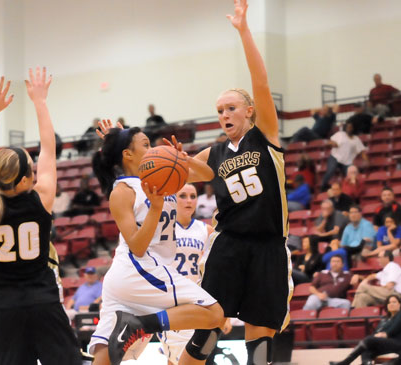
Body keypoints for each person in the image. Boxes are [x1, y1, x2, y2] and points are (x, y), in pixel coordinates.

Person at [188, 1, 294, 363]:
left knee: (260, 338)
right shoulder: (214, 154)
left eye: (231, 107)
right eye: (219, 110)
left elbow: (260, 81)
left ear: (249, 110)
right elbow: (176, 172)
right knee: (208, 328)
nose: (224, 114)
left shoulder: (265, 135)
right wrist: (130, 149)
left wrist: (244, 31)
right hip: (229, 244)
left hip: (268, 245)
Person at [0, 70, 81, 364]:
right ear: (26, 180)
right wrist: (40, 102)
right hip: (44, 303)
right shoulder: (41, 200)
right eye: (32, 167)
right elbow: (49, 149)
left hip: (3, 310)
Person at [89, 122, 223, 365]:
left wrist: (184, 159)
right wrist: (156, 209)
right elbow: (138, 247)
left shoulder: (165, 175)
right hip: (141, 269)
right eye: (146, 145)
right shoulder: (123, 191)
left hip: (126, 279)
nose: (152, 149)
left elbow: (208, 175)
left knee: (104, 359)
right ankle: (140, 325)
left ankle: (136, 325)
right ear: (127, 154)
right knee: (214, 314)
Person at [159, 183, 222, 365]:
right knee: (176, 359)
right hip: (172, 303)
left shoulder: (207, 231)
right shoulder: (162, 230)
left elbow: (217, 273)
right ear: (172, 199)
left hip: (200, 303)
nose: (189, 201)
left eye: (193, 196)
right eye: (183, 196)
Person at [329, 295, 401, 365]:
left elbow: (393, 329)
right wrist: (378, 336)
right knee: (366, 348)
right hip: (385, 344)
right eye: (389, 302)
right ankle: (367, 363)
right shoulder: (385, 319)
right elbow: (376, 333)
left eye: (394, 302)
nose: (391, 304)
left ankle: (346, 362)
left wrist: (384, 334)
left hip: (398, 344)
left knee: (368, 340)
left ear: (399, 304)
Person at [321, 122, 369, 192]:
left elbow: (361, 151)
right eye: (348, 127)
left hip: (347, 162)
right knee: (331, 170)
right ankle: (323, 186)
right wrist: (333, 144)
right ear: (345, 128)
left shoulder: (356, 139)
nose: (350, 129)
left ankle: (348, 191)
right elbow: (329, 142)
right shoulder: (340, 134)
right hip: (335, 157)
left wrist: (366, 160)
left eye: (351, 127)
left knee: (350, 175)